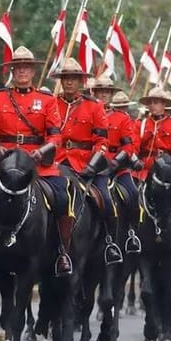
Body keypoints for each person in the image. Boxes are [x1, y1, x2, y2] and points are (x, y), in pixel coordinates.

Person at [0, 46, 72, 275]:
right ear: (12, 70)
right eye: (18, 67)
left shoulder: (46, 100)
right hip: (2, 163)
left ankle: (62, 252)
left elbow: (56, 135)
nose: (22, 71)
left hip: (36, 164)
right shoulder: (0, 98)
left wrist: (42, 152)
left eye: (26, 67)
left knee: (62, 198)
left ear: (32, 71)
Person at [52, 58, 123, 266]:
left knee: (107, 201)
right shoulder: (52, 103)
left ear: (81, 81)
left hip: (86, 165)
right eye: (66, 78)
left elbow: (102, 141)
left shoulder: (94, 107)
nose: (69, 82)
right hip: (56, 163)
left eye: (73, 78)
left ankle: (110, 242)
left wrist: (92, 165)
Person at [90, 77, 142, 256]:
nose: (104, 94)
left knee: (133, 194)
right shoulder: (88, 111)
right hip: (89, 164)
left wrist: (115, 163)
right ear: (93, 93)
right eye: (100, 91)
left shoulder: (122, 118)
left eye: (107, 91)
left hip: (117, 167)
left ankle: (130, 235)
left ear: (111, 94)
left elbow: (128, 146)